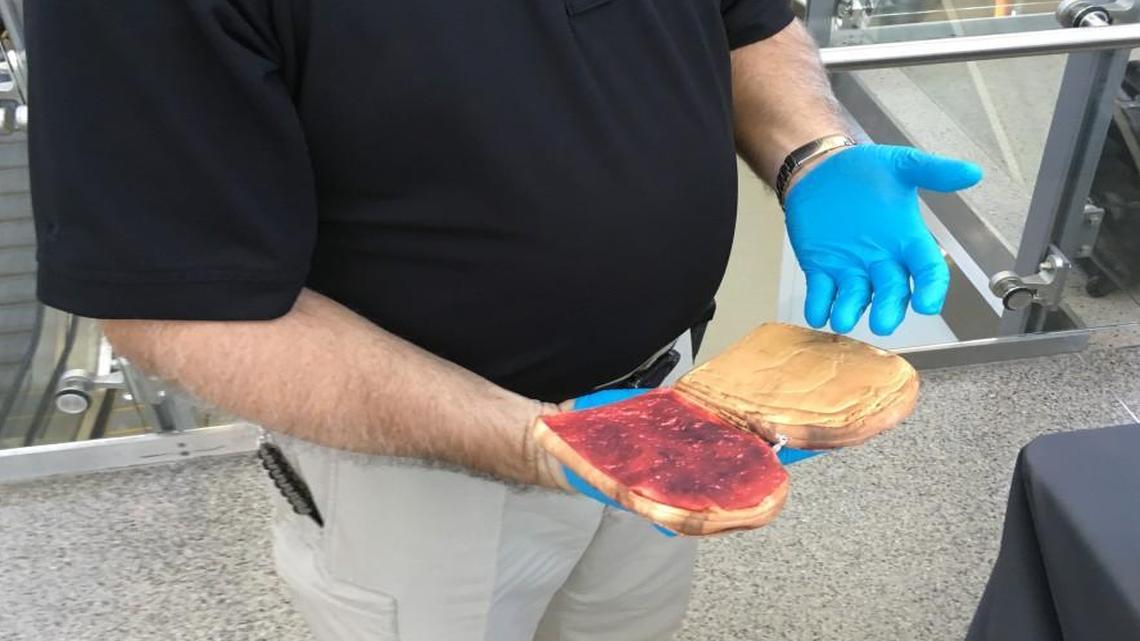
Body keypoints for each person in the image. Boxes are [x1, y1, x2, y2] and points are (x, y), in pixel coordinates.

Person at [26, 1, 981, 640]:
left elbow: (743, 20)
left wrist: (811, 150)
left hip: (671, 406)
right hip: (420, 477)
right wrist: (536, 442)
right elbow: (171, 302)